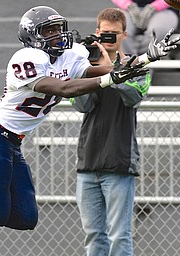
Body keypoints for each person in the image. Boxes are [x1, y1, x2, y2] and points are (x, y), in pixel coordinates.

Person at [0, 5, 179, 256]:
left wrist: (145, 58)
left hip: (13, 142)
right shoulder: (26, 58)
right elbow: (65, 89)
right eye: (48, 31)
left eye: (57, 28)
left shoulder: (69, 55)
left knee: (24, 217)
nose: (57, 35)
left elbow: (104, 70)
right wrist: (110, 77)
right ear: (32, 36)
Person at [71, 7, 151, 256]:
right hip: (88, 163)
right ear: (97, 33)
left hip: (119, 163)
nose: (109, 38)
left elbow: (134, 98)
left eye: (114, 34)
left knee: (119, 235)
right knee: (94, 236)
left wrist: (113, 73)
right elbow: (82, 106)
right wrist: (93, 71)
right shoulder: (84, 68)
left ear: (124, 35)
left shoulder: (137, 65)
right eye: (105, 34)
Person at [111, 0, 180, 55]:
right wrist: (128, 5)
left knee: (156, 31)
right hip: (128, 9)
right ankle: (128, 63)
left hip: (165, 10)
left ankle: (144, 62)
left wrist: (155, 6)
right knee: (119, 29)